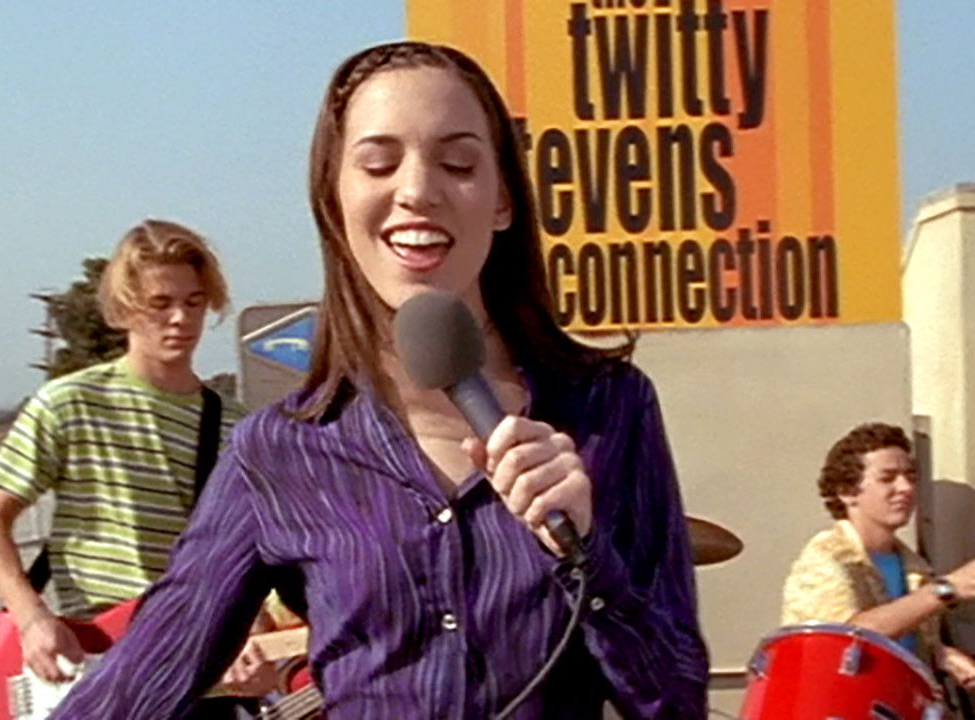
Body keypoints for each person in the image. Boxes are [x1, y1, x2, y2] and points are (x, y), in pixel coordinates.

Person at [49, 41, 708, 720]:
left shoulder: (610, 407)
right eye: (377, 164)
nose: (418, 191)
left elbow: (677, 696)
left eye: (458, 163)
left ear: (504, 200)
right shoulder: (276, 453)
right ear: (335, 201)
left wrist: (590, 555)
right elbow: (141, 681)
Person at [0, 219, 283, 716]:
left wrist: (256, 633)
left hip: (198, 680)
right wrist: (31, 618)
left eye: (194, 302)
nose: (180, 319)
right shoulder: (69, 404)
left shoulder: (237, 428)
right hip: (96, 664)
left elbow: (256, 558)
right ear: (124, 309)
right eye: (160, 304)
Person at [781, 422, 975, 691]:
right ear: (847, 492)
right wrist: (945, 590)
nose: (905, 487)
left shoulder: (914, 567)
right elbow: (843, 640)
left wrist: (942, 656)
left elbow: (902, 638)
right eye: (887, 478)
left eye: (910, 477)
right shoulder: (825, 560)